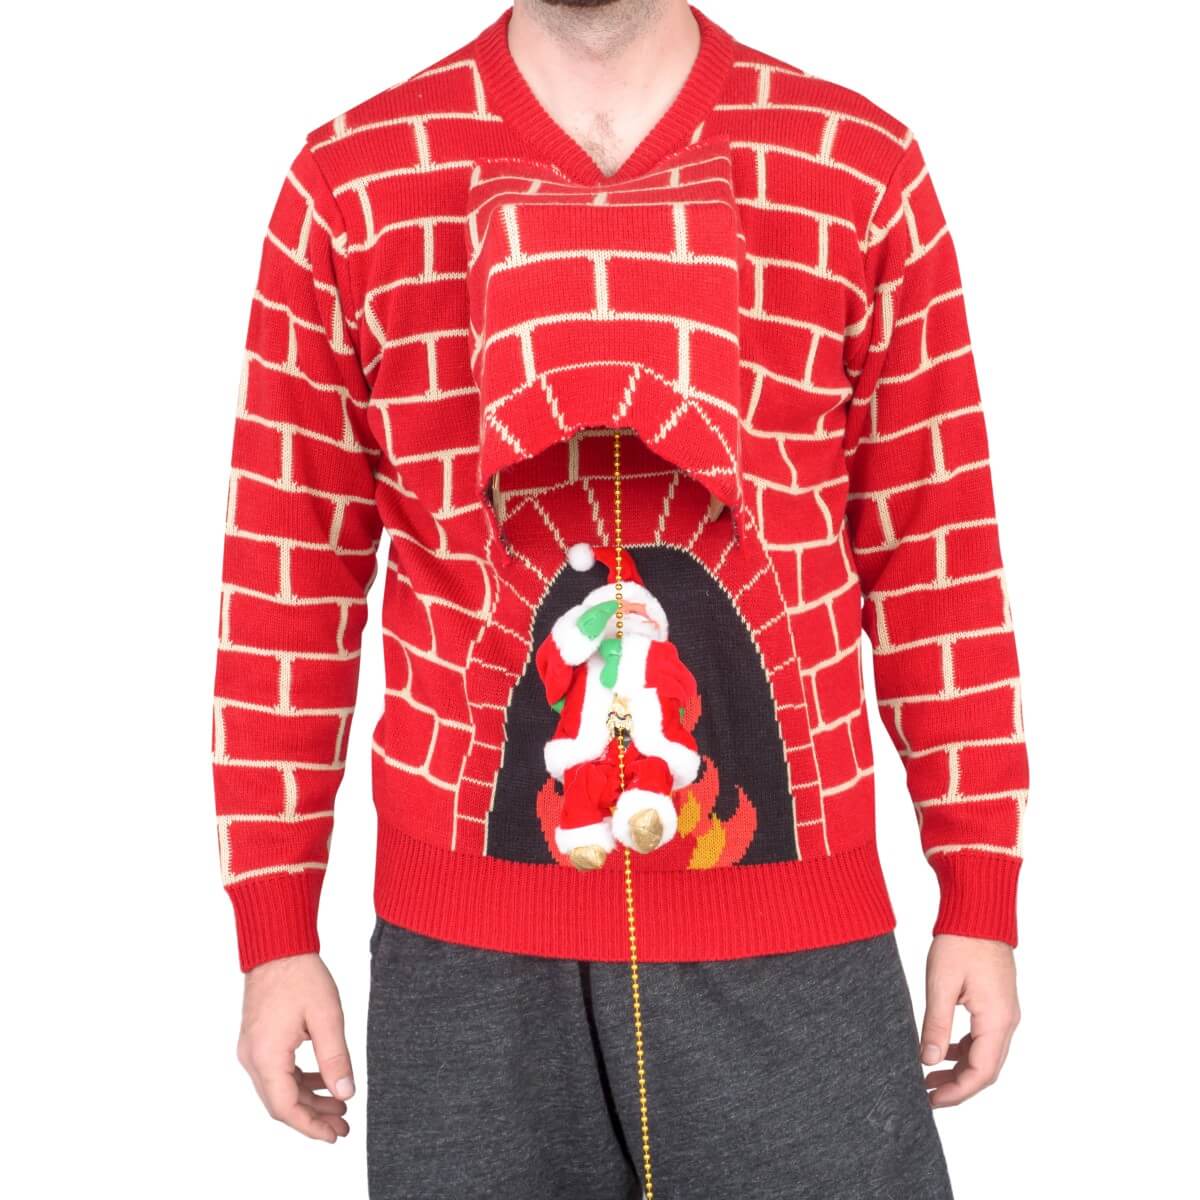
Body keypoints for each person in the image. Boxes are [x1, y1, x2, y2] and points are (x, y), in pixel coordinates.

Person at [213, 3, 1028, 1196]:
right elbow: (289, 569)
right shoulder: (354, 180)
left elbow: (934, 549)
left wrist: (981, 887)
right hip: (468, 962)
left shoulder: (857, 164)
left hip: (792, 930)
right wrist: (275, 927)